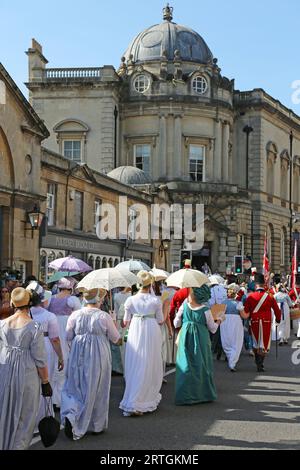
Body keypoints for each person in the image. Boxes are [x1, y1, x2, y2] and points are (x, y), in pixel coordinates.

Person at [61, 288, 121, 440]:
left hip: (78, 351)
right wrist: (114, 322)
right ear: (99, 300)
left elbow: (68, 335)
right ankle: (96, 424)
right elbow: (116, 339)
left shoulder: (75, 314)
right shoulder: (103, 316)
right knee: (98, 386)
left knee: (76, 385)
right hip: (98, 353)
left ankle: (73, 414)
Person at [0, 288, 52, 450]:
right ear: (30, 304)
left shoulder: (2, 324)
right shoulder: (34, 326)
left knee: (5, 410)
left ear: (13, 303)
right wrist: (45, 381)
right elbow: (40, 359)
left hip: (5, 370)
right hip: (26, 372)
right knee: (26, 414)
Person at [119, 271, 164, 417]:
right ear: (150, 283)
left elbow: (125, 322)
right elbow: (160, 320)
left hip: (136, 329)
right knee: (150, 360)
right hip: (151, 329)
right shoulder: (156, 300)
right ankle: (144, 397)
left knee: (135, 361)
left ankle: (133, 397)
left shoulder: (130, 300)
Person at [174, 285, 221, 405]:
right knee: (201, 364)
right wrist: (219, 320)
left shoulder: (184, 307)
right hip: (202, 338)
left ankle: (185, 395)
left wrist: (182, 318)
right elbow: (213, 329)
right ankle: (202, 394)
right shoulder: (206, 310)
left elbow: (176, 323)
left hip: (185, 337)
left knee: (185, 365)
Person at [26, 281, 64, 428]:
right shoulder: (49, 316)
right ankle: (43, 417)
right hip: (45, 345)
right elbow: (55, 339)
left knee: (30, 382)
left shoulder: (24, 314)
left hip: (28, 347)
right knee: (45, 380)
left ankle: (29, 420)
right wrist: (61, 356)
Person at [48, 277, 81, 408]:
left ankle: (53, 397)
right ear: (70, 288)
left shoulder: (51, 298)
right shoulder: (72, 300)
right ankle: (61, 398)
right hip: (66, 329)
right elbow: (79, 315)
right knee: (65, 360)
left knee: (53, 359)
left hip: (53, 328)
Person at [239, 273, 281, 372]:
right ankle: (260, 363)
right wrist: (278, 320)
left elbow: (246, 311)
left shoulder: (250, 297)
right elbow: (277, 311)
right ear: (263, 285)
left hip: (254, 322)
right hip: (266, 322)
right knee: (265, 344)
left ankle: (257, 360)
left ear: (256, 285)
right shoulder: (270, 297)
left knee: (255, 342)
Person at [220, 284, 249, 372]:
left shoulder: (223, 302)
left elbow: (219, 314)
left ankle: (230, 358)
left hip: (225, 321)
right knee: (236, 341)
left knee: (226, 340)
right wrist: (249, 313)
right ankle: (232, 362)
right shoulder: (238, 303)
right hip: (236, 322)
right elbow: (244, 316)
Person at [113, 287, 132, 371]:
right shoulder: (131, 295)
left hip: (120, 321)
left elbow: (116, 311)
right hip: (130, 320)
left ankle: (121, 367)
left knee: (121, 344)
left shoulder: (116, 296)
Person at [289, 274, 300, 339]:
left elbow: (288, 296)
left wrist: (292, 302)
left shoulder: (293, 290)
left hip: (295, 307)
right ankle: (299, 334)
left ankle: (296, 332)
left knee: (295, 321)